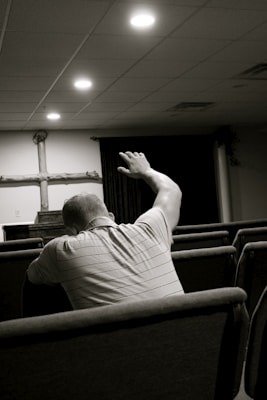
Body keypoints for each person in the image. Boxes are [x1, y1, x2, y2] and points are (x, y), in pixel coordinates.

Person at [27, 151, 184, 309]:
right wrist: (147, 171)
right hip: (190, 330)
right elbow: (172, 190)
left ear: (71, 231)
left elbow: (32, 276)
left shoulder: (61, 248)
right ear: (111, 216)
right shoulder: (149, 229)